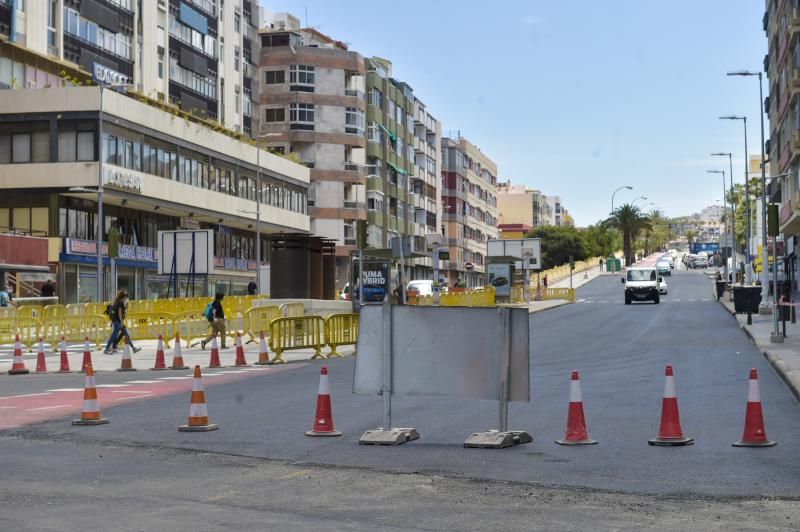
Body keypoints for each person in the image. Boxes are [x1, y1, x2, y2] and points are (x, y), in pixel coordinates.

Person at [104, 289, 140, 355]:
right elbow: (119, 313)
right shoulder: (121, 302)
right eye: (127, 297)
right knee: (114, 335)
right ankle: (106, 349)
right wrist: (121, 322)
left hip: (117, 321)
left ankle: (133, 348)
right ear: (124, 297)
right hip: (118, 322)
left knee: (125, 335)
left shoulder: (118, 302)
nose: (128, 298)